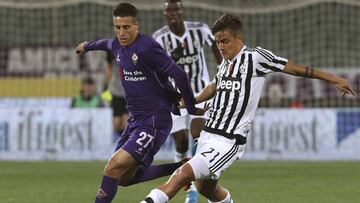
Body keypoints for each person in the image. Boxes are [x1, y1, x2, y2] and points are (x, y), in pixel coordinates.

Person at [141, 13, 355, 203]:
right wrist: (187, 101)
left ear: (239, 39)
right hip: (208, 134)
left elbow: (297, 69)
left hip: (227, 141)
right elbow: (214, 86)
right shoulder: (226, 63)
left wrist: (334, 79)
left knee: (180, 176)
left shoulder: (256, 58)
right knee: (206, 189)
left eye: (225, 41)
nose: (221, 47)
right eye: (217, 43)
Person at [75, 3, 205, 203]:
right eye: (117, 27)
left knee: (112, 167)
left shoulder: (148, 47)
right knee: (124, 178)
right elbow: (105, 44)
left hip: (155, 119)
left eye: (126, 27)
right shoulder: (117, 45)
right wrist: (87, 46)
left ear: (137, 25)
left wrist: (189, 106)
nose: (121, 33)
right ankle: (180, 167)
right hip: (136, 120)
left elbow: (178, 74)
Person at [152, 1, 222, 202]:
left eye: (176, 9)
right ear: (165, 13)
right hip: (176, 96)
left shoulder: (200, 29)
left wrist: (223, 73)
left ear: (182, 11)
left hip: (202, 91)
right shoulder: (160, 37)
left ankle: (200, 188)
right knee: (181, 141)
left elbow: (217, 49)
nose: (172, 13)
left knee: (199, 134)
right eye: (169, 10)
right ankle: (187, 185)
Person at [102, 52, 129, 142]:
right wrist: (105, 87)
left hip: (127, 93)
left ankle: (124, 144)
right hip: (115, 92)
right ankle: (123, 139)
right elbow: (107, 71)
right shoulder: (111, 54)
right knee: (116, 123)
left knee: (126, 122)